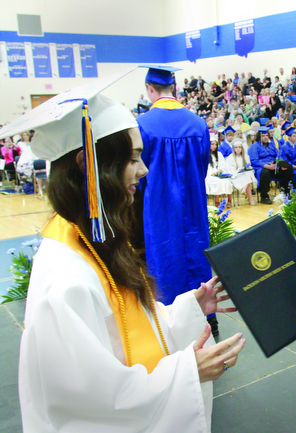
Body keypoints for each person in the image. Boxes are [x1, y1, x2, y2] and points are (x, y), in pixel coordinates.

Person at [0, 82, 245, 433]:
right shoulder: (66, 279)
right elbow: (92, 401)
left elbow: (124, 329)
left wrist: (190, 306)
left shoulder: (92, 239)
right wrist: (188, 372)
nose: (144, 170)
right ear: (88, 164)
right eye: (132, 159)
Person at [136, 66, 213, 314]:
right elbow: (202, 168)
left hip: (159, 205)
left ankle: (170, 317)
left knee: (164, 255)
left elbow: (139, 173)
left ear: (149, 89)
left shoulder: (142, 125)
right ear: (174, 87)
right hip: (194, 202)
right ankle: (205, 315)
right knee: (196, 251)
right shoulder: (198, 123)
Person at [248, 126, 293, 204]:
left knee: (288, 167)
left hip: (274, 166)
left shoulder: (271, 145)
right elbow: (254, 161)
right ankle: (264, 196)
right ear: (259, 137)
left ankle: (285, 192)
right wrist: (268, 166)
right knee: (265, 172)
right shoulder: (254, 146)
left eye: (266, 136)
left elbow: (278, 154)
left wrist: (279, 163)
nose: (265, 137)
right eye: (263, 136)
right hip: (262, 167)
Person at [224, 139, 257, 205]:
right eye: (236, 147)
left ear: (242, 148)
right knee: (248, 176)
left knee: (248, 173)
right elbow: (230, 171)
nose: (238, 149)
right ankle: (250, 198)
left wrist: (247, 167)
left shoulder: (246, 157)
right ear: (233, 148)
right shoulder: (230, 158)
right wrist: (239, 170)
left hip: (245, 175)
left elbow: (249, 165)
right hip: (236, 176)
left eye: (239, 147)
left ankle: (244, 190)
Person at [206, 135, 233, 207]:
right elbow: (206, 168)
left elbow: (223, 165)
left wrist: (219, 171)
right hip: (210, 176)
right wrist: (213, 173)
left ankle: (229, 201)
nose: (214, 146)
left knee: (227, 181)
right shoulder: (205, 155)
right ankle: (217, 202)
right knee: (217, 182)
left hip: (219, 174)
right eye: (212, 144)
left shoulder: (219, 154)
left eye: (215, 144)